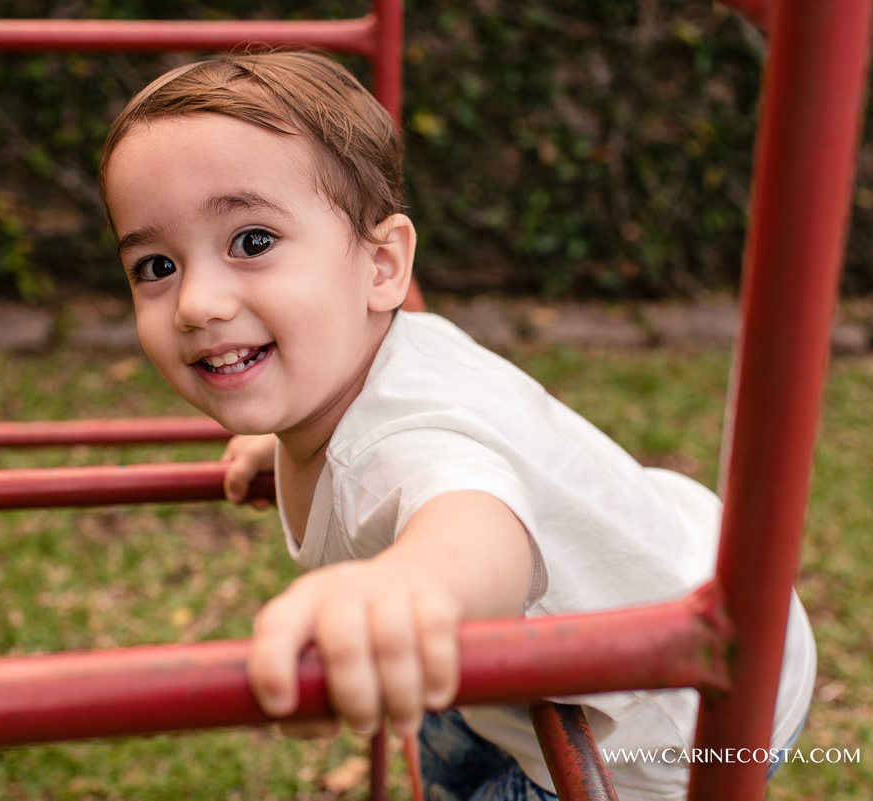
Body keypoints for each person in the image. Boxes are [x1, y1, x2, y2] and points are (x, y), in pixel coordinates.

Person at [98, 50, 816, 801]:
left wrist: (406, 591)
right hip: (671, 561)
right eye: (155, 265)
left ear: (381, 268)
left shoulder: (412, 447)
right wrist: (282, 443)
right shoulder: (364, 362)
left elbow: (475, 527)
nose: (196, 303)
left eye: (252, 242)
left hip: (678, 726)